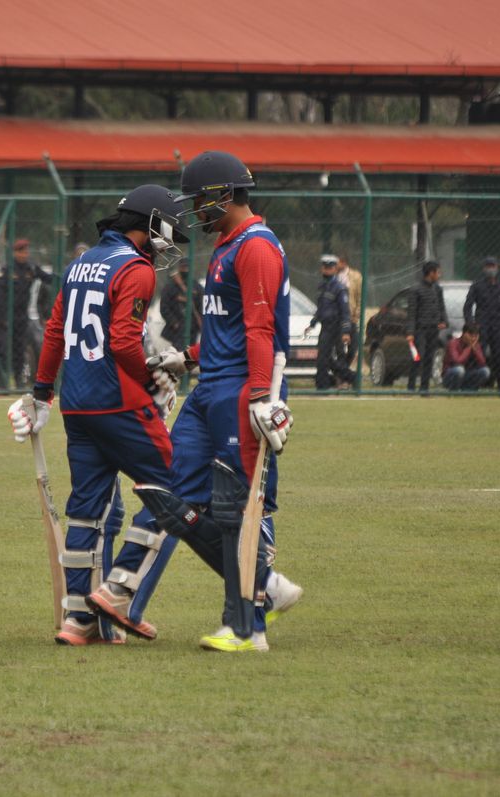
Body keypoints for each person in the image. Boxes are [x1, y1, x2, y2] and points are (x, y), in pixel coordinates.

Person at [92, 151, 299, 653]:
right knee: (165, 487)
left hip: (240, 391)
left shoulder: (256, 247)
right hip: (211, 388)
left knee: (235, 507)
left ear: (223, 195)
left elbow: (259, 328)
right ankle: (125, 590)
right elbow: (228, 332)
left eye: (199, 201)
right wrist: (187, 357)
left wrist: (257, 396)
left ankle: (248, 626)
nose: (194, 213)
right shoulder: (229, 246)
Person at [7, 184, 189, 646]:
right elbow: (125, 342)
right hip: (120, 403)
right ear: (148, 225)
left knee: (86, 511)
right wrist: (150, 381)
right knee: (179, 487)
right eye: (166, 229)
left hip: (78, 404)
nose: (170, 240)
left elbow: (54, 331)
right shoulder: (136, 267)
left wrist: (43, 393)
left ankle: (77, 620)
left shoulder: (78, 263)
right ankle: (119, 590)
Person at [0, 238, 49, 390]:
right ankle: (1, 382)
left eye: (26, 252)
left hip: (21, 316)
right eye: (21, 252)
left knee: (20, 349)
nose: (24, 255)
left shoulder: (30, 268)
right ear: (14, 253)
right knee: (4, 350)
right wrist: (2, 318)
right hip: (6, 316)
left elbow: (47, 278)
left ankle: (19, 380)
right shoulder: (7, 270)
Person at [464, 256, 500, 392]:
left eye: (493, 266)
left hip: (497, 326)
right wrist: (471, 325)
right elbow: (468, 306)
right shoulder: (477, 286)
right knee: (477, 355)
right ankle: (473, 385)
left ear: (497, 268)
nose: (491, 269)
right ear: (484, 269)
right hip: (481, 327)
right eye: (488, 266)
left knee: (499, 356)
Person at [310, 254, 353, 390]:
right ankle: (323, 384)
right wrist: (313, 323)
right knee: (323, 357)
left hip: (337, 326)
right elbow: (321, 308)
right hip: (326, 326)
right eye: (324, 267)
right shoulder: (322, 287)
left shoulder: (339, 288)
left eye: (330, 267)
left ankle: (350, 378)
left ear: (335, 269)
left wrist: (345, 331)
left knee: (331, 357)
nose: (326, 270)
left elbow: (345, 311)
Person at [405, 260, 447, 394]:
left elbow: (441, 307)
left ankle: (424, 388)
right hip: (420, 330)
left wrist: (444, 321)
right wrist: (410, 332)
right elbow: (411, 312)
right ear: (431, 273)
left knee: (430, 358)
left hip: (433, 329)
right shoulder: (415, 290)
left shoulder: (437, 289)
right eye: (438, 272)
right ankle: (411, 387)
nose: (439, 275)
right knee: (418, 357)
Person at [159, 257, 203, 350]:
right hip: (177, 329)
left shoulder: (196, 286)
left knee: (191, 355)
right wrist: (175, 323)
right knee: (178, 354)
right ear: (179, 268)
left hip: (193, 328)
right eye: (183, 267)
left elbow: (202, 306)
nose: (185, 270)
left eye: (187, 267)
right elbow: (164, 307)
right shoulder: (170, 287)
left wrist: (200, 321)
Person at [442, 322, 491, 391]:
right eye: (471, 335)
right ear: (464, 333)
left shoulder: (476, 345)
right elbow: (457, 361)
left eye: (475, 336)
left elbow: (482, 362)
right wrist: (469, 348)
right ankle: (454, 391)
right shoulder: (453, 343)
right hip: (450, 375)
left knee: (485, 371)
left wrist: (475, 350)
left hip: (467, 374)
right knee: (459, 370)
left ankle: (469, 390)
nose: (473, 338)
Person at [336, 253, 363, 366]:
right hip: (337, 318)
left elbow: (359, 297)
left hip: (350, 317)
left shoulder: (356, 277)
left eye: (337, 262)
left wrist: (356, 315)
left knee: (353, 348)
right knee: (339, 349)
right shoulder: (334, 276)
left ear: (343, 262)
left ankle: (344, 370)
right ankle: (340, 375)